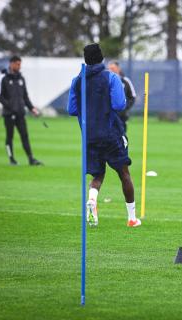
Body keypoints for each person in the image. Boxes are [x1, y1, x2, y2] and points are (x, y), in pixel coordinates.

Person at [67, 43, 141, 228]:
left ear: (86, 60)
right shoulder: (111, 77)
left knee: (98, 175)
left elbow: (71, 109)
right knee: (124, 174)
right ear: (101, 58)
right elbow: (119, 105)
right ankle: (132, 218)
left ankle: (92, 200)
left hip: (89, 137)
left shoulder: (77, 81)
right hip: (111, 134)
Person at [0, 55, 43, 166]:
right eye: (17, 64)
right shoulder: (2, 77)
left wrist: (32, 108)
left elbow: (25, 96)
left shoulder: (21, 78)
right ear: (11, 64)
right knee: (10, 136)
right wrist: (10, 106)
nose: (19, 66)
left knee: (24, 136)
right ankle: (11, 159)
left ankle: (31, 159)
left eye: (20, 64)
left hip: (20, 113)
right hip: (9, 114)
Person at [107, 61, 136, 133]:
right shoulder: (105, 81)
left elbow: (132, 96)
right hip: (107, 116)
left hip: (122, 117)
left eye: (113, 68)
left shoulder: (125, 81)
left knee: (122, 136)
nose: (111, 70)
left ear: (118, 69)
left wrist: (125, 108)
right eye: (109, 68)